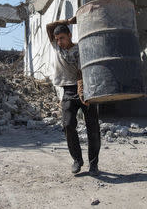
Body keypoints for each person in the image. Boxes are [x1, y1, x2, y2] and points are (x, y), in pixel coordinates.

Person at [46, 16, 101, 176]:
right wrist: (68, 22)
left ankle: (93, 164)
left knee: (93, 128)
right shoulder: (56, 48)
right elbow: (50, 26)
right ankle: (77, 159)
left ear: (70, 35)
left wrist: (82, 92)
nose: (59, 42)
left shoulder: (80, 49)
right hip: (68, 91)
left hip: (86, 88)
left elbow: (80, 73)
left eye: (62, 38)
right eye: (57, 39)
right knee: (68, 124)